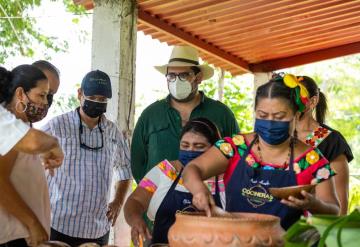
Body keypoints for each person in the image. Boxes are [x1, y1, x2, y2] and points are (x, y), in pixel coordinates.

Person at [182, 74, 340, 230]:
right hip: (234, 240)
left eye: (279, 117)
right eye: (262, 115)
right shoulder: (235, 147)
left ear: (296, 116)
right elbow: (192, 169)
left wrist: (314, 205)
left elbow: (335, 210)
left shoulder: (312, 161)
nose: (270, 122)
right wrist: (199, 190)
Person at [43, 70, 132, 246]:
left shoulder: (113, 132)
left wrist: (117, 202)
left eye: (102, 99)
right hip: (58, 224)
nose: (97, 102)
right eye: (92, 97)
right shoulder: (56, 126)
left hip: (97, 229)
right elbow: (30, 161)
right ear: (80, 94)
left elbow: (124, 171)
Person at [131, 45, 239, 184]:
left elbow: (235, 157)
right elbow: (137, 163)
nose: (176, 81)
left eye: (183, 75)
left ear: (198, 77)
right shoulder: (151, 115)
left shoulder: (221, 113)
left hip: (206, 199)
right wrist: (151, 194)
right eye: (171, 76)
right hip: (157, 199)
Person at [125, 118, 224, 246]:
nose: (190, 151)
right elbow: (136, 200)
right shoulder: (166, 171)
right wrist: (136, 220)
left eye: (199, 147)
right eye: (185, 145)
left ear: (214, 149)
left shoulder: (224, 179)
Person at [0, 65, 54, 246]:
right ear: (21, 94)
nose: (45, 103)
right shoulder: (10, 130)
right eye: (42, 95)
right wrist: (33, 224)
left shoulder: (22, 129)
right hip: (12, 239)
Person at [296, 75, 353, 215]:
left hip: (313, 228)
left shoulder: (329, 140)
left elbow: (340, 203)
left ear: (313, 101)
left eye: (297, 97)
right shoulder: (278, 136)